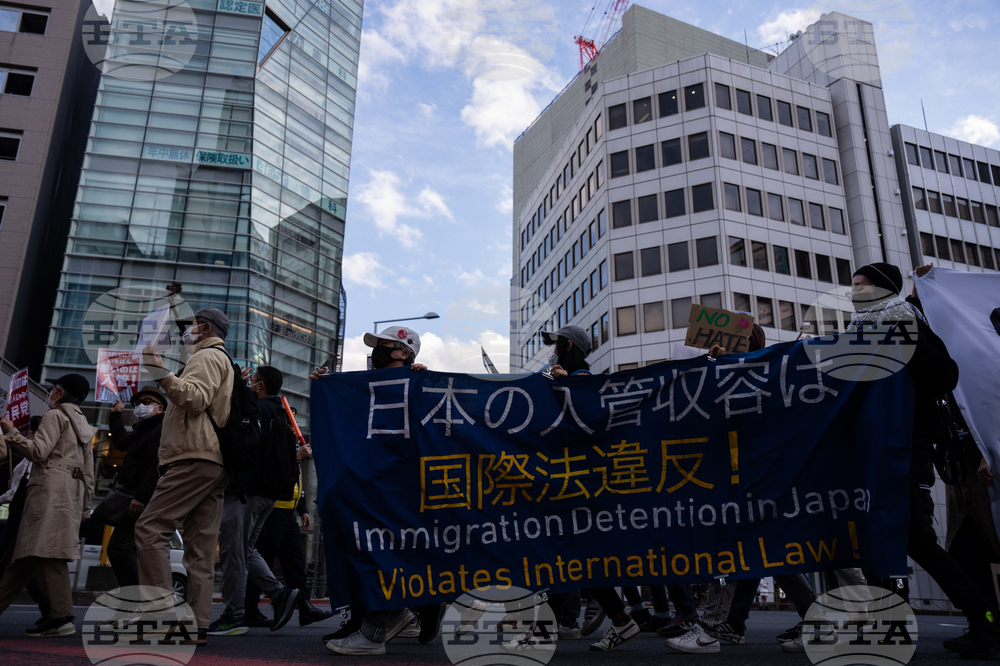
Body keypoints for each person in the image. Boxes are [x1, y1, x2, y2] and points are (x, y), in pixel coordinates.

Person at [852, 262, 1000, 660]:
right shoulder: (863, 330)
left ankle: (987, 620)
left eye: (862, 285)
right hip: (879, 449)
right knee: (889, 540)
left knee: (915, 540)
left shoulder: (902, 322)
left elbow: (943, 374)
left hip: (904, 448)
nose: (855, 292)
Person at [319, 326, 442, 656]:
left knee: (383, 549)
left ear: (404, 353)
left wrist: (424, 381)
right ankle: (395, 615)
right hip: (372, 483)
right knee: (370, 548)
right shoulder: (367, 387)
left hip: (401, 484)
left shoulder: (418, 383)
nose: (377, 354)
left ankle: (375, 632)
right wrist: (326, 387)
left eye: (386, 347)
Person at [136, 307, 236, 646]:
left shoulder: (207, 356)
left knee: (150, 528)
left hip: (193, 455)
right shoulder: (219, 359)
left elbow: (194, 399)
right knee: (201, 549)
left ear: (205, 328)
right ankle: (197, 623)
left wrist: (160, 373)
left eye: (189, 327)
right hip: (213, 460)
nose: (185, 333)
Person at [538, 325, 641, 652]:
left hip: (582, 483)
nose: (552, 351)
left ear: (568, 345)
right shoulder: (561, 379)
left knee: (570, 554)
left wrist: (566, 384)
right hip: (572, 481)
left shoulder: (587, 383)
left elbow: (587, 425)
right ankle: (620, 620)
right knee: (573, 557)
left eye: (556, 345)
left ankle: (617, 620)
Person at [0, 374, 96, 637]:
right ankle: (60, 618)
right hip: (69, 493)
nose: (50, 393)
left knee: (40, 553)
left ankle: (62, 617)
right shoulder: (81, 420)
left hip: (48, 490)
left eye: (54, 389)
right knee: (30, 556)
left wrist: (12, 433)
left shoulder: (54, 416)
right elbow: (88, 471)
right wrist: (85, 506)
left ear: (60, 393)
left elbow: (38, 452)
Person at [210, 365, 302, 636]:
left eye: (251, 381)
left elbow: (239, 442)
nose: (248, 384)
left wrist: (236, 389)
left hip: (245, 492)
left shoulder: (257, 410)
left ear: (259, 385)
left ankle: (233, 616)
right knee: (247, 550)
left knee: (233, 553)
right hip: (268, 495)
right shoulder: (281, 412)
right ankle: (279, 594)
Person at [245, 433, 333, 628]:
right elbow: (274, 471)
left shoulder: (288, 445)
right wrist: (297, 457)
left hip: (288, 514)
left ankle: (305, 608)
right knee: (262, 562)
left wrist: (301, 509)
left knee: (296, 564)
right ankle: (249, 609)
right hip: (272, 512)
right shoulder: (272, 443)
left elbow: (296, 481)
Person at [106, 386, 167, 589]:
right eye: (137, 403)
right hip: (133, 498)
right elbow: (122, 441)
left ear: (161, 408)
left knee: (119, 548)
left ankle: (137, 601)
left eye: (147, 402)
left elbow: (155, 466)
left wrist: (140, 497)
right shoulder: (143, 430)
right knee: (126, 549)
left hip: (142, 501)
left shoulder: (159, 430)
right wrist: (116, 415)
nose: (141, 406)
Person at [0, 415, 52, 628]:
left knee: (8, 561)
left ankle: (51, 608)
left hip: (21, 514)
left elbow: (15, 492)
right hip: (26, 513)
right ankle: (50, 608)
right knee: (21, 565)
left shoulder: (33, 453)